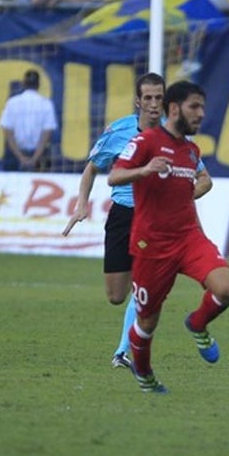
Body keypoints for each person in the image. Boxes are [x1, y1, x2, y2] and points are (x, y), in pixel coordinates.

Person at [107, 81, 229, 394]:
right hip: (152, 244)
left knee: (226, 289)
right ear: (175, 108)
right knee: (146, 324)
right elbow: (114, 176)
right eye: (194, 107)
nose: (201, 114)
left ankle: (197, 323)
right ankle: (144, 373)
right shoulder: (146, 141)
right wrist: (145, 170)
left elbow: (194, 185)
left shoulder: (192, 151)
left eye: (202, 107)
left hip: (188, 238)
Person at [65, 73, 167, 368]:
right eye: (147, 98)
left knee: (145, 286)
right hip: (122, 215)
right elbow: (92, 168)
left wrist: (182, 196)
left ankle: (123, 351)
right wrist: (81, 204)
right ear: (138, 101)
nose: (152, 104)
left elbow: (201, 178)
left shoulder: (174, 136)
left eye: (158, 98)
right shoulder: (118, 131)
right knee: (116, 295)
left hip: (154, 218)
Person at [0, 69, 58, 172]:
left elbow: (8, 132)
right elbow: (46, 134)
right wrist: (35, 158)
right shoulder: (46, 104)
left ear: (23, 83)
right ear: (38, 84)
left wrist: (20, 157)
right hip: (39, 155)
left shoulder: (12, 102)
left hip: (15, 154)